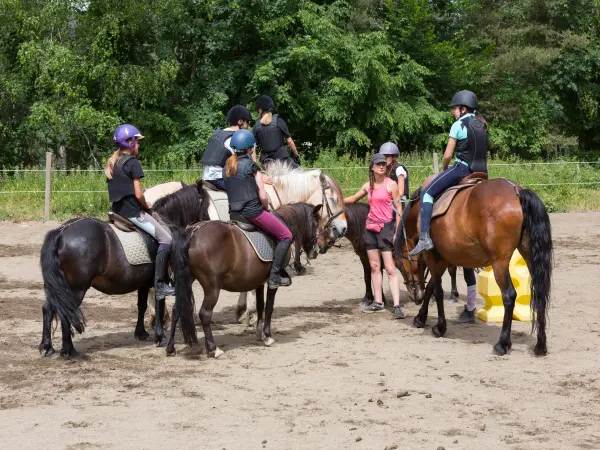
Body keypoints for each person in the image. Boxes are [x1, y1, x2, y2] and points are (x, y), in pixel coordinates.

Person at [408, 90, 489, 323]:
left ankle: (424, 237)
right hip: (482, 173)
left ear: (463, 108)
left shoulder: (458, 125)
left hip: (463, 169)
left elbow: (448, 153)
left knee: (426, 194)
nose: (453, 112)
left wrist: (444, 170)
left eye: (454, 108)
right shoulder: (482, 125)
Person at [105, 124, 175, 299]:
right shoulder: (133, 163)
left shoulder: (113, 162)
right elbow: (138, 194)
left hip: (117, 211)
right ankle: (160, 284)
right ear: (129, 142)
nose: (139, 145)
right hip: (133, 213)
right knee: (166, 238)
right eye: (137, 141)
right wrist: (147, 205)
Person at [223, 129, 294, 289]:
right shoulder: (252, 166)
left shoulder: (227, 166)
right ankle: (275, 276)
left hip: (234, 214)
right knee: (286, 235)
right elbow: (262, 195)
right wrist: (266, 208)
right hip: (253, 213)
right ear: (250, 148)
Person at [344, 153, 404, 319]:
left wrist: (396, 230)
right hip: (370, 228)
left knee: (390, 268)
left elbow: (399, 210)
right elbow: (354, 198)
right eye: (378, 164)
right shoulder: (367, 186)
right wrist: (337, 200)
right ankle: (378, 302)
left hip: (385, 228)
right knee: (375, 267)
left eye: (384, 164)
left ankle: (397, 305)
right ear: (372, 167)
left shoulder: (391, 185)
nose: (382, 166)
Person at [201, 105, 252, 190]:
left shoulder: (219, 133)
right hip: (218, 178)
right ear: (240, 122)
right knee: (249, 190)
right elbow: (245, 166)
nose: (248, 127)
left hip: (206, 176)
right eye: (247, 123)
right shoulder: (235, 138)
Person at [252, 95, 300, 168]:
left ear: (260, 110)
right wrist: (296, 156)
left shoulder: (256, 126)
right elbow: (290, 141)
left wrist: (254, 164)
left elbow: (253, 148)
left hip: (267, 164)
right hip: (283, 161)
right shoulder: (279, 121)